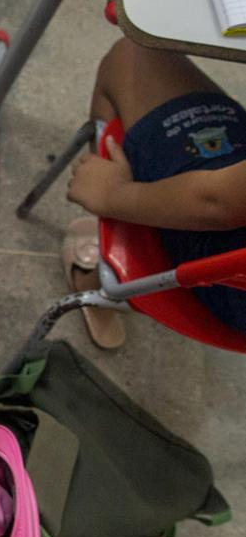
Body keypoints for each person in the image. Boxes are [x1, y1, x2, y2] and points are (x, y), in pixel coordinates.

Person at [65, 37, 246, 348]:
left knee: (132, 57)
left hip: (227, 276)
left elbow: (216, 203)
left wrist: (114, 195)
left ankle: (102, 281)